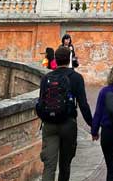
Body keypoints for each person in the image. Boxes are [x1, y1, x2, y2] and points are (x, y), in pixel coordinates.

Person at [39, 46, 93, 181]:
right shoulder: (76, 78)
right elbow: (83, 105)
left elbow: (40, 103)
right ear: (69, 59)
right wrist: (93, 125)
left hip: (49, 124)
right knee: (65, 165)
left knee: (49, 166)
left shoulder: (47, 77)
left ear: (55, 60)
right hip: (68, 123)